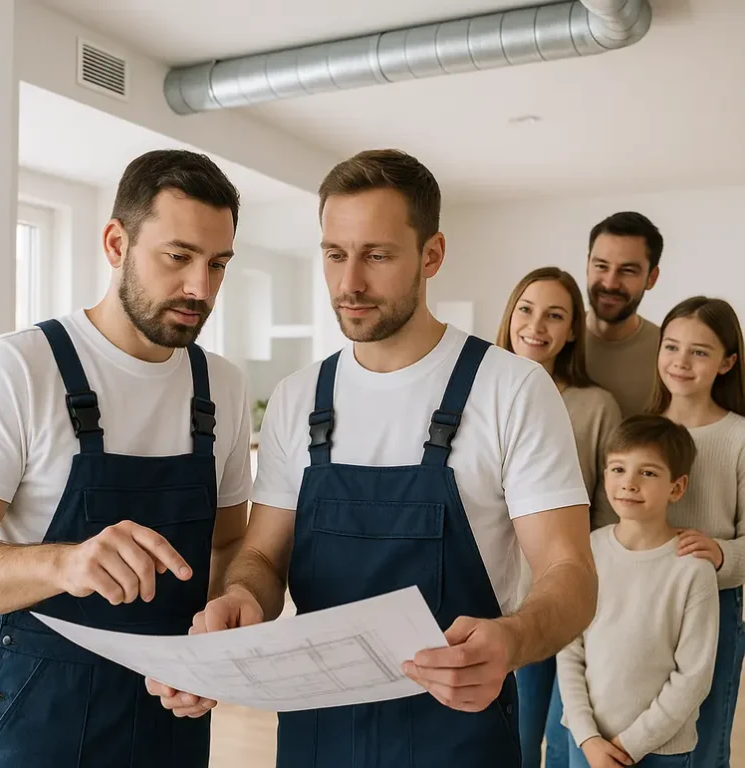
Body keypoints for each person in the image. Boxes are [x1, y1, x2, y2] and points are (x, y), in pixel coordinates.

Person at [150, 149, 598, 767]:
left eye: (377, 255)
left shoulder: (511, 388)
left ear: (432, 255)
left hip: (458, 734)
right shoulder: (298, 398)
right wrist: (244, 600)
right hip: (315, 736)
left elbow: (571, 574)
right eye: (335, 254)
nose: (350, 283)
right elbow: (259, 555)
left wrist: (515, 639)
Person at [0, 149, 252, 767]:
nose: (200, 288)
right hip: (40, 716)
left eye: (218, 264)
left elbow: (230, 546)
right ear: (115, 242)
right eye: (177, 257)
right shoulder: (20, 367)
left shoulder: (222, 388)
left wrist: (218, 641)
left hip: (172, 717)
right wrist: (64, 565)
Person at [496, 266, 622, 768]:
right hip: (491, 600)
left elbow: (609, 517)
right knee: (512, 742)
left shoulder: (596, 407)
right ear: (510, 315)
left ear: (573, 330)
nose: (536, 325)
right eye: (526, 309)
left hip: (566, 600)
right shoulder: (478, 391)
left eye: (555, 315)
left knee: (563, 737)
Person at [558, 414, 719, 768]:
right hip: (588, 746)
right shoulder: (589, 550)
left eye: (647, 472)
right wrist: (587, 737)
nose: (629, 483)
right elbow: (569, 651)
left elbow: (694, 677)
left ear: (676, 488)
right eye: (618, 469)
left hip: (662, 751)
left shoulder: (693, 569)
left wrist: (631, 744)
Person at [649, 296, 745, 768]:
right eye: (671, 346)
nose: (681, 362)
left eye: (700, 352)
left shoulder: (740, 438)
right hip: (639, 605)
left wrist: (721, 554)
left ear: (727, 362)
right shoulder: (637, 430)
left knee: (706, 746)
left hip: (715, 607)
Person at [585, 212, 663, 417]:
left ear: (651, 278)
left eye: (627, 270)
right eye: (601, 266)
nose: (610, 283)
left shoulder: (668, 354)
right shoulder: (554, 340)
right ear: (587, 265)